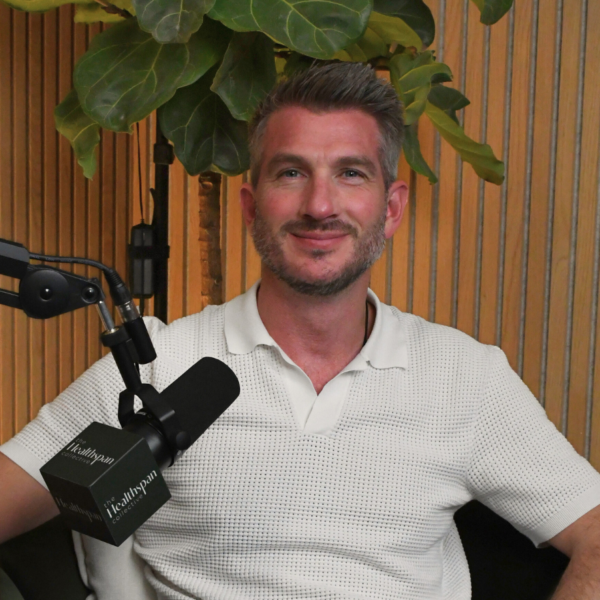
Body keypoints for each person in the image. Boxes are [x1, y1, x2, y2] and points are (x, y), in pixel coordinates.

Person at [1, 62, 600, 600]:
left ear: (391, 208)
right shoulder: (152, 365)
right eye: (291, 173)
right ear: (250, 205)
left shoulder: (467, 378)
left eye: (351, 174)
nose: (319, 205)